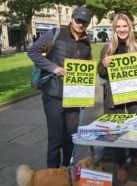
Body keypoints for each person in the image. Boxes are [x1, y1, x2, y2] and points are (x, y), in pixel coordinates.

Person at [27, 7, 92, 168]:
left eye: (84, 22)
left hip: (73, 99)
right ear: (72, 18)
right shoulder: (55, 33)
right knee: (55, 139)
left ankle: (67, 173)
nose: (80, 24)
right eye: (78, 20)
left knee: (71, 139)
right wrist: (53, 68)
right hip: (53, 95)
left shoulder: (86, 44)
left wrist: (85, 95)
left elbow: (87, 72)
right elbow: (33, 52)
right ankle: (52, 176)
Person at [97, 13, 137, 182]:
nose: (121, 29)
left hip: (134, 96)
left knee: (135, 127)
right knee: (117, 130)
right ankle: (119, 164)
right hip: (114, 97)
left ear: (129, 28)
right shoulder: (107, 49)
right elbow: (101, 73)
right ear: (114, 29)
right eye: (118, 26)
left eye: (124, 26)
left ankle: (134, 157)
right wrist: (103, 65)